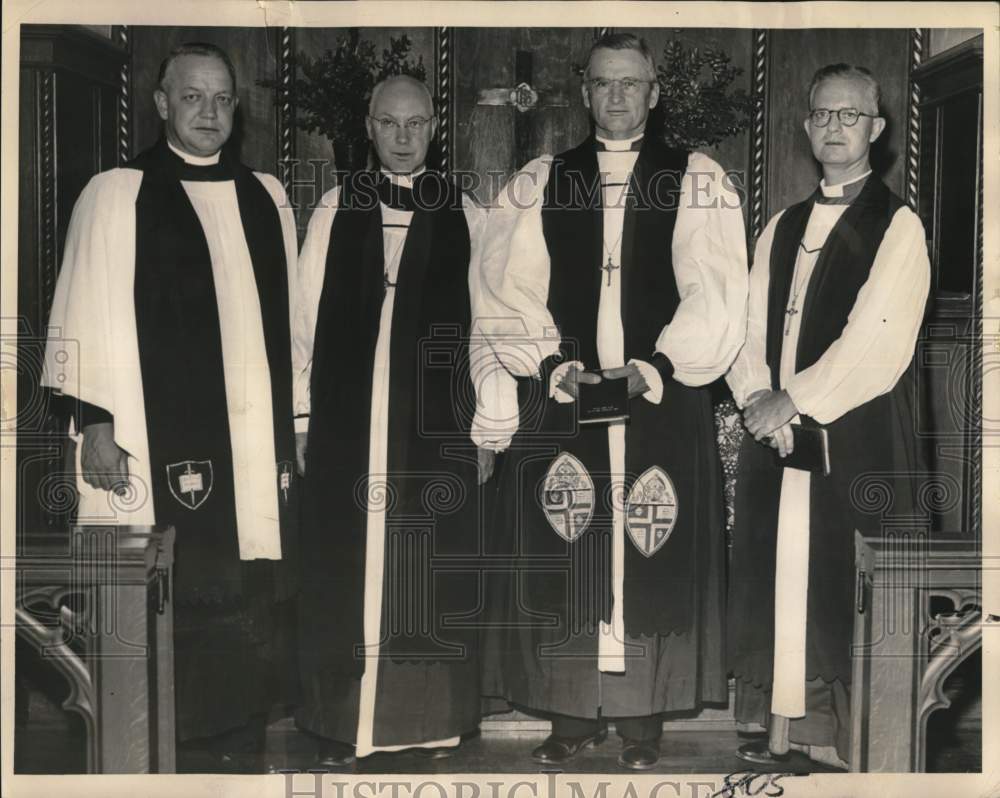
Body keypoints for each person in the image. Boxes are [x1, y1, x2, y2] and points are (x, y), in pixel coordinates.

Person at [473, 33, 748, 770]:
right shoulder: (542, 179)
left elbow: (716, 293)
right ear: (585, 92)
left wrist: (655, 366)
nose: (618, 97)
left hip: (659, 398)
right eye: (603, 84)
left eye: (632, 84)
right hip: (568, 397)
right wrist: (553, 363)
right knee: (568, 541)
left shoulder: (695, 177)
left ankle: (644, 721)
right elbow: (505, 283)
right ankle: (570, 715)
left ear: (654, 93)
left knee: (648, 540)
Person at [41, 43, 300, 771]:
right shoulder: (116, 192)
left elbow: (292, 326)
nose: (210, 113)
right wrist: (94, 420)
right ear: (161, 104)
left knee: (247, 586)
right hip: (154, 442)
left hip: (251, 445)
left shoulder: (266, 196)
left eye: (222, 99)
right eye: (193, 98)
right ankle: (164, 749)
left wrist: (297, 422)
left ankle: (240, 745)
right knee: (171, 587)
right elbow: (80, 312)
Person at [726, 63, 930, 769]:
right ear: (807, 127)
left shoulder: (897, 225)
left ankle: (848, 745)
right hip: (774, 434)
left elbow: (879, 338)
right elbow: (746, 328)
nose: (835, 128)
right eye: (822, 115)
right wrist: (756, 397)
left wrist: (798, 399)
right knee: (778, 571)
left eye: (851, 116)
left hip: (856, 433)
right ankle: (783, 732)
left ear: (876, 129)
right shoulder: (780, 225)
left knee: (843, 582)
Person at [293, 75, 487, 765]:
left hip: (433, 428)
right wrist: (303, 416)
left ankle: (426, 724)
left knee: (425, 568)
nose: (402, 137)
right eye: (388, 123)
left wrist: (486, 423)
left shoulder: (467, 212)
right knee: (346, 566)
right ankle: (344, 725)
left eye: (415, 124)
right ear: (368, 128)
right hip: (347, 424)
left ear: (434, 127)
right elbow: (303, 322)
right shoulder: (334, 208)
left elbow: (488, 327)